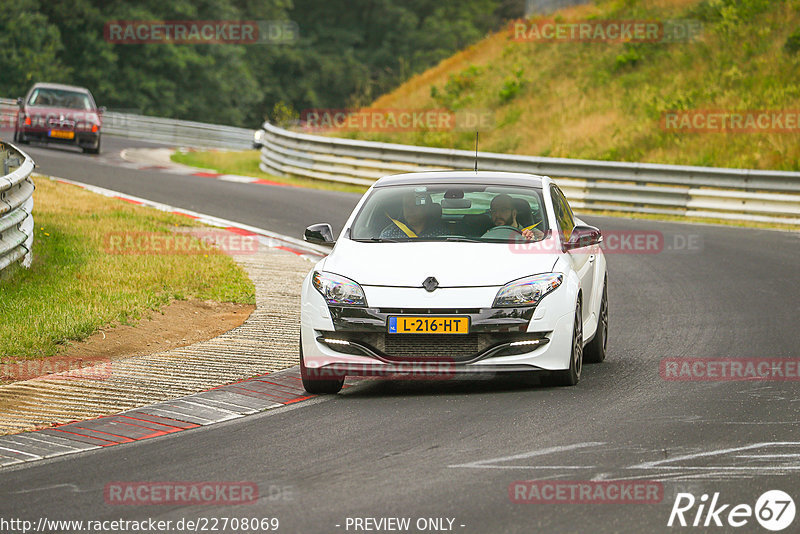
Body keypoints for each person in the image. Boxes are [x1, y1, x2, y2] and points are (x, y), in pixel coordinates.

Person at [379, 192, 447, 239]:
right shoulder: (390, 235)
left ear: (426, 208)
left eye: (415, 205)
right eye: (407, 206)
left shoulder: (442, 234)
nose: (410, 210)